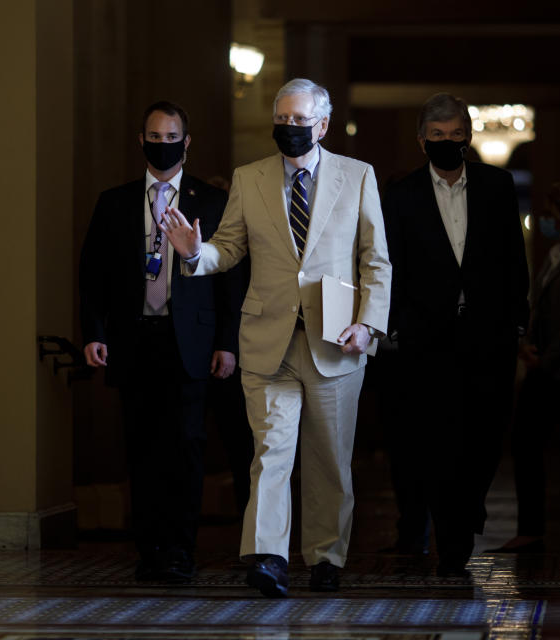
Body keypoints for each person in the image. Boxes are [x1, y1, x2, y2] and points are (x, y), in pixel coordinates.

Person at [160, 78, 391, 597]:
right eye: (281, 120)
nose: (288, 129)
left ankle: (326, 556)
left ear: (323, 125)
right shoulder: (250, 177)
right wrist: (195, 254)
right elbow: (230, 247)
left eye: (299, 121)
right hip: (268, 341)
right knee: (271, 452)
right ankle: (268, 557)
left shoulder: (357, 177)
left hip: (337, 340)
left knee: (329, 459)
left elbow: (376, 259)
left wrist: (368, 321)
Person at [79, 101, 241, 583]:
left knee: (186, 447)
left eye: (171, 135)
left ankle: (180, 549)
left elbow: (229, 280)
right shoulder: (114, 202)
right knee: (142, 447)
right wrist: (94, 332)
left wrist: (227, 343)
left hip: (189, 343)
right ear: (141, 140)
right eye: (153, 135)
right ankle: (148, 548)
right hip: (134, 340)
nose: (162, 143)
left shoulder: (211, 202)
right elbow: (92, 275)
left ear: (187, 142)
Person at [381, 93, 529, 577]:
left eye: (456, 134)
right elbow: (393, 266)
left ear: (469, 135)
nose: (448, 142)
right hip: (428, 340)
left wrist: (515, 322)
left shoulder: (497, 185)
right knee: (438, 441)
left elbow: (513, 259)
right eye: (438, 135)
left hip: (489, 337)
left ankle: (468, 508)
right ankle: (452, 537)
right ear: (422, 139)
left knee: (485, 439)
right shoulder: (401, 196)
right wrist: (399, 322)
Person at [491, 182, 560, 553]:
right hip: (541, 365)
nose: (545, 221)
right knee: (525, 444)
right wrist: (528, 345)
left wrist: (545, 358)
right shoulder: (556, 254)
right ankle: (530, 529)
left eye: (551, 214)